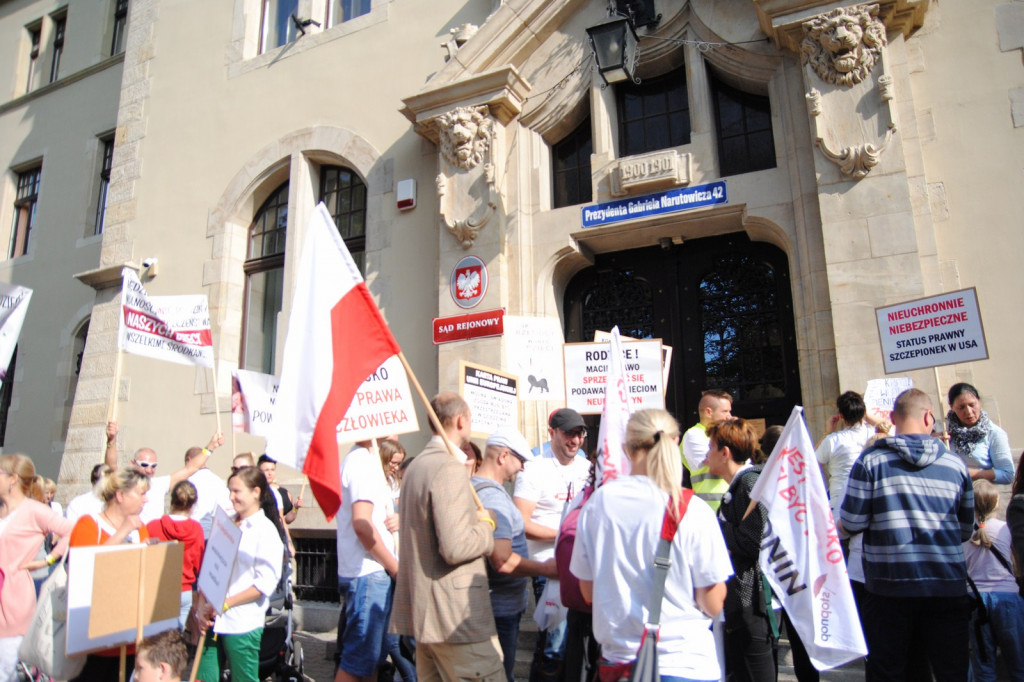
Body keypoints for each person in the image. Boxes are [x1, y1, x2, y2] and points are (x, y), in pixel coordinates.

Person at [570, 408, 732, 682]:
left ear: (626, 447)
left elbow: (587, 590)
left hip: (621, 662)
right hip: (686, 663)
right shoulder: (694, 510)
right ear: (676, 441)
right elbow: (713, 602)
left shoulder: (598, 504)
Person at [840, 388, 974, 681]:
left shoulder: (870, 462)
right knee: (951, 670)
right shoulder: (956, 466)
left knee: (888, 670)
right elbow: (965, 529)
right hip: (946, 586)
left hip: (889, 588)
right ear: (929, 417)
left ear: (892, 418)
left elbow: (850, 523)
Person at [392, 393, 504, 682]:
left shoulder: (416, 467)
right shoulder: (448, 467)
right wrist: (486, 526)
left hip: (427, 616)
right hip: (454, 619)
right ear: (460, 420)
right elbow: (455, 547)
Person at [472, 426, 558, 682]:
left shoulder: (478, 488)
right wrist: (546, 569)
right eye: (520, 460)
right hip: (498, 609)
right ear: (503, 456)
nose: (521, 468)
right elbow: (502, 559)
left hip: (496, 605)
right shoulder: (493, 498)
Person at [513, 408, 590, 682]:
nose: (575, 439)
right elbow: (521, 523)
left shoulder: (587, 469)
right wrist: (563, 535)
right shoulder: (534, 468)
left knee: (575, 644)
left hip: (583, 566)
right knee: (554, 646)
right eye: (569, 433)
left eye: (580, 433)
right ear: (551, 433)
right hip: (550, 568)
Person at [196, 466, 284, 682]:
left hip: (241, 622)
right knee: (205, 677)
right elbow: (209, 568)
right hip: (210, 619)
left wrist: (226, 603)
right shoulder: (225, 522)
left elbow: (264, 583)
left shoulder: (265, 531)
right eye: (230, 491)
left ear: (255, 492)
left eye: (237, 491)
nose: (231, 497)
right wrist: (200, 607)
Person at [706, 418, 776, 682]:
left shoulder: (748, 485)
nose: (706, 455)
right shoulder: (742, 485)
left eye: (710, 447)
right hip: (740, 601)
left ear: (725, 453)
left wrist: (716, 531)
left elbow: (755, 541)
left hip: (750, 602)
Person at [68, 466, 153, 681]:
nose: (146, 501)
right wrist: (122, 531)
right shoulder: (88, 524)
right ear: (120, 495)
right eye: (141, 494)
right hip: (94, 641)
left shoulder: (140, 529)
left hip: (129, 637)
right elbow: (84, 571)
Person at [0, 455, 74, 682]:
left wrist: (48, 560)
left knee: (6, 670)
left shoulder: (33, 510)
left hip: (11, 597)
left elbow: (73, 530)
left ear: (12, 479)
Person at [333, 436, 400, 682]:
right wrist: (395, 568)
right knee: (357, 662)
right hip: (368, 572)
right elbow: (362, 524)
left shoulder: (369, 460)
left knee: (370, 660)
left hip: (373, 571)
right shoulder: (361, 462)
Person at [963, 480, 1024, 681]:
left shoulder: (964, 534)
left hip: (975, 601)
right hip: (1007, 598)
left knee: (983, 665)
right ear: (997, 503)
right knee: (1018, 663)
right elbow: (1016, 561)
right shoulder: (1006, 529)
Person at [112, 428, 225, 524]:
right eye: (144, 465)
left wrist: (211, 446)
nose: (149, 470)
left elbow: (190, 468)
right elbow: (111, 467)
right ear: (132, 463)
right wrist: (111, 441)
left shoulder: (158, 484)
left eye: (153, 466)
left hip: (153, 542)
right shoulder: (123, 484)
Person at [814, 391, 875, 544]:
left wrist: (827, 432)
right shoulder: (874, 434)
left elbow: (812, 463)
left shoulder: (832, 440)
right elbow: (890, 425)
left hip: (840, 507)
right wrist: (867, 415)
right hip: (870, 505)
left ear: (841, 415)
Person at [146, 480, 205, 629]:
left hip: (159, 589)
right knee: (175, 640)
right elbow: (199, 563)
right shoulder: (197, 529)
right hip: (184, 590)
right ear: (193, 505)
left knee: (156, 638)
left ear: (171, 500)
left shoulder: (153, 526)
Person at [945, 383, 1014, 484]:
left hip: (979, 495)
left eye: (972, 405)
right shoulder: (943, 430)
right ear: (952, 407)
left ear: (979, 402)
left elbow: (1007, 474)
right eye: (961, 407)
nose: (968, 412)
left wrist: (969, 473)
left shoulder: (994, 433)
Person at [680, 389, 733, 511]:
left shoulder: (726, 434)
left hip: (733, 506)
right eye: (725, 411)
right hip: (711, 509)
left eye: (730, 411)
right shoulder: (694, 435)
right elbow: (715, 462)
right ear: (708, 412)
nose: (729, 416)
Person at [184, 445, 234, 539]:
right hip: (214, 536)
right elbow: (227, 511)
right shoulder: (218, 481)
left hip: (191, 534)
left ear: (188, 459)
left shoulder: (187, 482)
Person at [258, 454, 301, 524]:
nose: (270, 473)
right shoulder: (255, 492)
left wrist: (295, 508)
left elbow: (286, 519)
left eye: (272, 470)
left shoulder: (284, 493)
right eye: (266, 470)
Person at [379, 439, 407, 506]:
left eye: (399, 463)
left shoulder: (394, 481)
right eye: (393, 463)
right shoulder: (372, 481)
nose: (396, 468)